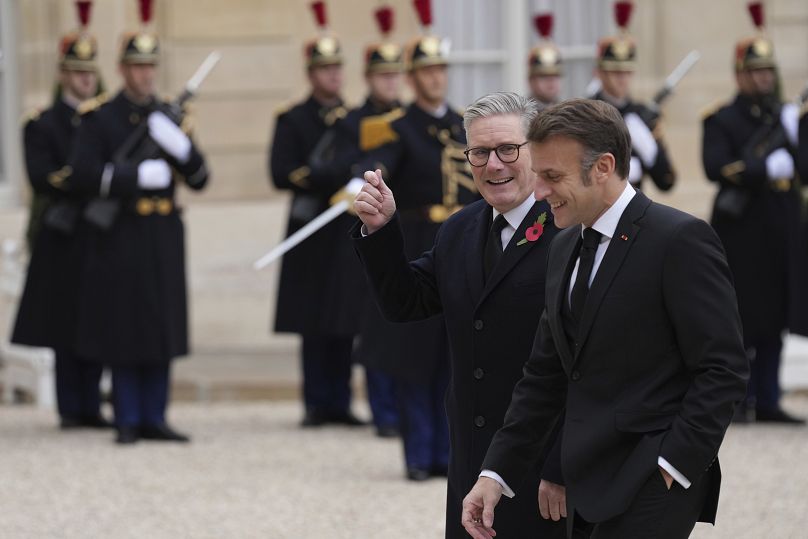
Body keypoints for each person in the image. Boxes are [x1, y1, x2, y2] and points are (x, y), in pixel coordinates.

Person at [461, 99, 749, 539]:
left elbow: (722, 368)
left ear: (603, 167)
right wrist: (494, 473)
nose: (539, 192)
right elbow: (546, 374)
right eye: (539, 175)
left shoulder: (679, 240)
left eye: (553, 177)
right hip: (583, 480)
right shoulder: (562, 245)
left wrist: (673, 464)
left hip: (652, 481)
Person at [353, 92, 566, 538]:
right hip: (473, 455)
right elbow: (405, 302)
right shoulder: (459, 229)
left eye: (508, 149)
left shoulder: (566, 230)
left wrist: (561, 464)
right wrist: (382, 231)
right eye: (479, 152)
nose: (493, 165)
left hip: (542, 461)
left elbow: (588, 363)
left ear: (537, 150)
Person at [67, 0, 208, 444]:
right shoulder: (100, 117)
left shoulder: (171, 116)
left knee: (162, 322)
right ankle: (127, 416)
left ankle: (155, 415)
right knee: (126, 324)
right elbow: (82, 175)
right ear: (123, 69)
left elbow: (201, 178)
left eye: (151, 66)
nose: (146, 74)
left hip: (162, 230)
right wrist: (132, 177)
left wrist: (182, 148)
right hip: (123, 232)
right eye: (136, 66)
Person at [351, 0, 478, 482]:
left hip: (462, 236)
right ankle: (418, 455)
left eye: (441, 69)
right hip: (420, 238)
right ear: (412, 76)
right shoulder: (398, 128)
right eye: (426, 71)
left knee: (455, 354)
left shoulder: (463, 125)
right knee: (414, 354)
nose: (436, 79)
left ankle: (449, 454)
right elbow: (376, 165)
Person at [702, 1, 807, 425]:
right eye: (756, 71)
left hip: (782, 226)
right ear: (740, 74)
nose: (764, 78)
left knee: (778, 315)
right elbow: (718, 167)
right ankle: (737, 398)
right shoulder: (723, 119)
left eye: (768, 71)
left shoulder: (788, 117)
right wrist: (765, 167)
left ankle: (768, 398)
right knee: (742, 317)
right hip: (741, 232)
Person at [11, 1, 110, 430]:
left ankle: (94, 402)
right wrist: (91, 178)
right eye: (77, 72)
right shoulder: (42, 124)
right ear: (63, 74)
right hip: (64, 234)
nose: (85, 79)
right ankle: (73, 407)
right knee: (66, 322)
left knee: (98, 318)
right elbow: (43, 178)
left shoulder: (106, 121)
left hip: (100, 231)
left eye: (89, 72)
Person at [268, 1, 364, 428]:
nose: (334, 76)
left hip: (343, 226)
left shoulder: (356, 118)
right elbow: (281, 172)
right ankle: (315, 401)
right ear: (311, 73)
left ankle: (340, 401)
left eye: (338, 68)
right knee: (312, 318)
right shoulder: (293, 119)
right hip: (309, 227)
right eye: (325, 69)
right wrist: (332, 172)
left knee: (344, 316)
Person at [318, 5, 405, 438]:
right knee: (372, 322)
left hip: (407, 232)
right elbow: (333, 168)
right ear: (369, 78)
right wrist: (357, 174)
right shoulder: (350, 121)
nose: (390, 82)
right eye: (383, 76)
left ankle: (399, 408)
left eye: (395, 75)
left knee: (403, 321)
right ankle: (382, 410)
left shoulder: (409, 122)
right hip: (363, 231)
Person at [593, 1, 676, 192]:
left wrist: (651, 153)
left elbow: (667, 181)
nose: (622, 79)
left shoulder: (642, 113)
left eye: (627, 72)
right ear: (600, 73)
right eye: (615, 72)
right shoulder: (588, 112)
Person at [528, 13, 562, 108]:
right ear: (531, 80)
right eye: (543, 76)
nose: (551, 81)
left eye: (555, 75)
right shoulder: (523, 115)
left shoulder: (568, 112)